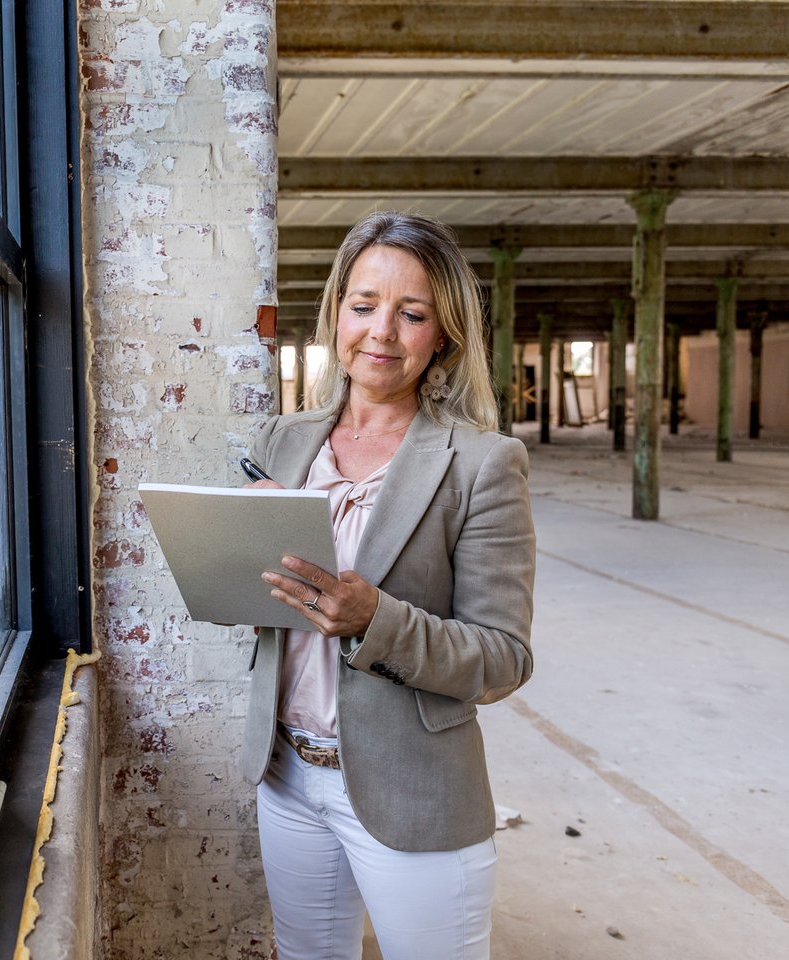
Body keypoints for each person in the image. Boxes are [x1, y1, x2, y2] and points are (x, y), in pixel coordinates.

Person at [241, 211, 536, 959]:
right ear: (335, 312)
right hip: (286, 774)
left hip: (416, 791)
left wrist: (376, 621)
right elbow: (267, 601)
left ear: (444, 335)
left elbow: (502, 659)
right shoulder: (283, 440)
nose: (381, 333)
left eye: (412, 314)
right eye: (364, 305)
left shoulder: (482, 464)